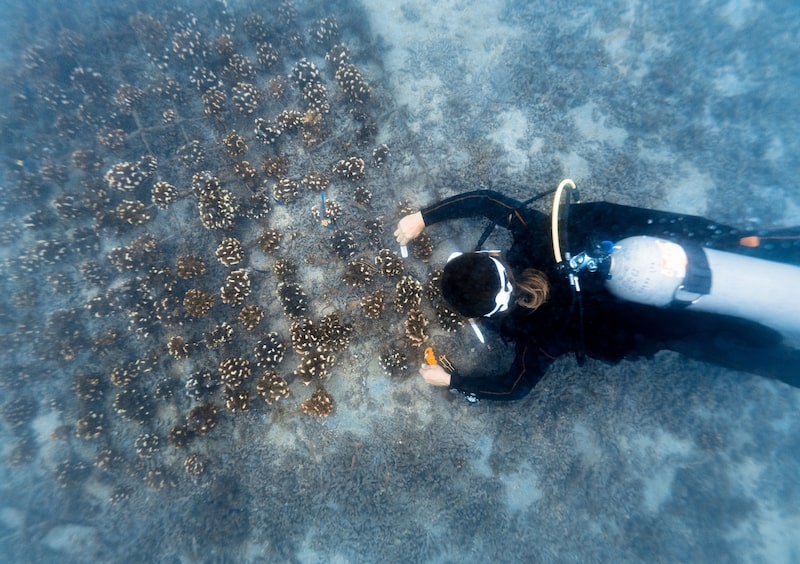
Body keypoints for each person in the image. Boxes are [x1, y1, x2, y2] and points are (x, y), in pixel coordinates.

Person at [394, 188, 800, 402]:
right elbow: (488, 201)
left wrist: (454, 382)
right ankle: (745, 244)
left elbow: (513, 387)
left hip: (680, 326)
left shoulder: (543, 336)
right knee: (744, 246)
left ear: (482, 315)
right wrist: (422, 217)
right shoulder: (540, 237)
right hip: (680, 253)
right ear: (490, 256)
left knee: (767, 356)